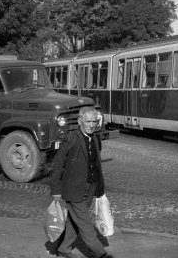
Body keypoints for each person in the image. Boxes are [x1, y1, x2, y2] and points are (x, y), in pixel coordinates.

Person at [50, 106, 114, 258]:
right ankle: (100, 253)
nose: (92, 125)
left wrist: (100, 187)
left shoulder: (96, 138)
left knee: (76, 221)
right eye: (88, 121)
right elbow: (57, 164)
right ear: (80, 121)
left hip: (90, 187)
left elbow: (96, 163)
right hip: (73, 188)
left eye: (95, 121)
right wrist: (55, 189)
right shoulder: (70, 138)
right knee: (85, 223)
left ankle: (63, 248)